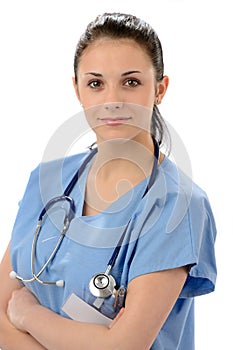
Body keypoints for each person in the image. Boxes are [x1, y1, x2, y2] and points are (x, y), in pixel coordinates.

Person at [0, 12, 217, 350]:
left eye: (131, 82)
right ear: (77, 89)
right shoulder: (48, 180)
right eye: (96, 83)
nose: (112, 100)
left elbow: (125, 346)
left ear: (159, 89)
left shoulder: (178, 205)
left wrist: (29, 315)